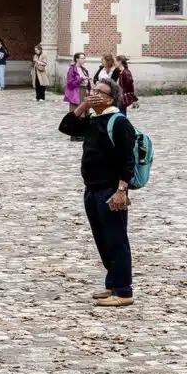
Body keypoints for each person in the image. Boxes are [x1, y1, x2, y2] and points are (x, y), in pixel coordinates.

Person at [57, 78, 136, 307]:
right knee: (102, 240)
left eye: (100, 92)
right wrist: (82, 106)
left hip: (110, 190)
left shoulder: (119, 122)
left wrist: (122, 190)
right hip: (92, 189)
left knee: (116, 240)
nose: (94, 94)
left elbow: (127, 160)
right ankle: (112, 284)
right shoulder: (94, 119)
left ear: (110, 99)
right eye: (93, 90)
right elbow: (66, 127)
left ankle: (123, 291)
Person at [65, 52, 92, 142]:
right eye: (82, 58)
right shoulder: (72, 69)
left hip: (84, 91)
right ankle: (74, 134)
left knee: (84, 113)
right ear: (77, 59)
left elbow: (87, 81)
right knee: (76, 112)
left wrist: (89, 88)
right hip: (76, 92)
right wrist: (81, 79)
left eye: (84, 58)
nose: (84, 60)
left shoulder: (84, 69)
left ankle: (82, 133)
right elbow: (70, 84)